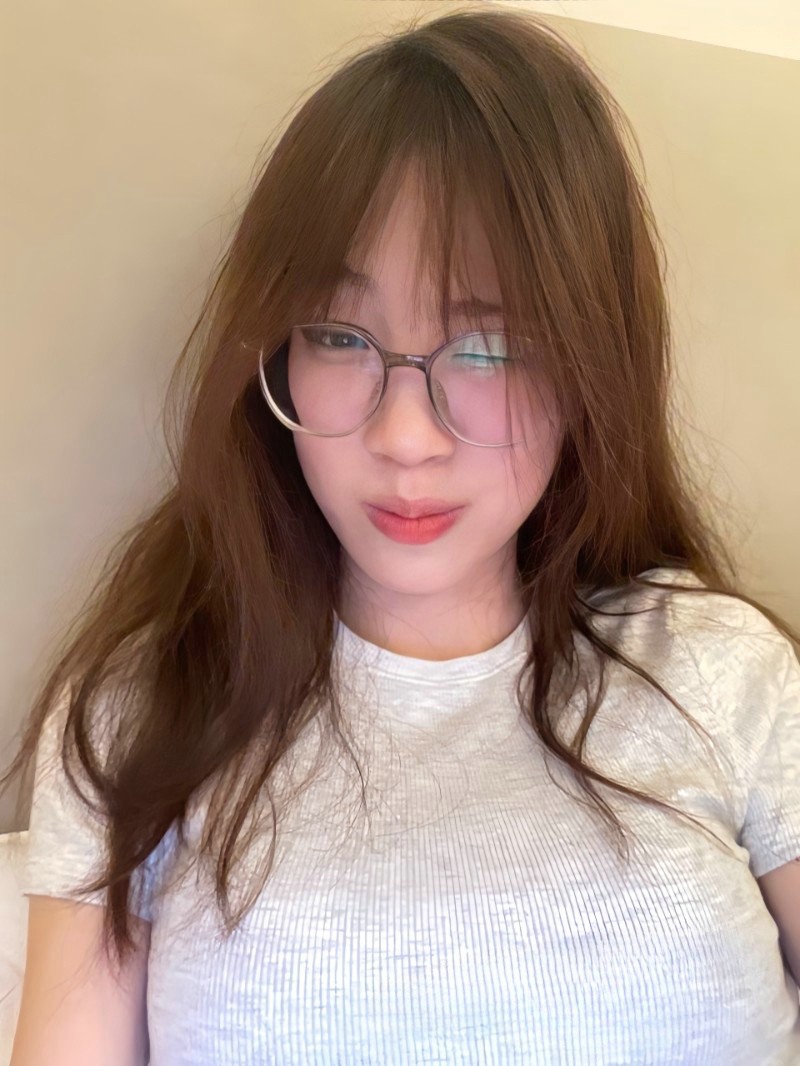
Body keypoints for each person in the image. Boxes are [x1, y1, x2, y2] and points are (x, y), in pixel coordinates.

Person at [5, 7, 800, 1064]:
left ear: (590, 367)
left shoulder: (722, 672)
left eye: (491, 346)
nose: (405, 437)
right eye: (339, 336)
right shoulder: (146, 707)